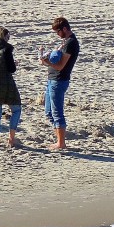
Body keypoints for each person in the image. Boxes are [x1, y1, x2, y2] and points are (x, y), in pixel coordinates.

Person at [40, 17, 80, 151]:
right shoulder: (66, 42)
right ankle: (59, 139)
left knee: (57, 113)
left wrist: (49, 63)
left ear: (64, 29)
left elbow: (60, 66)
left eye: (58, 31)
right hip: (52, 80)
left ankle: (61, 143)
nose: (57, 34)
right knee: (49, 112)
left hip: (59, 80)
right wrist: (46, 61)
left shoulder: (71, 43)